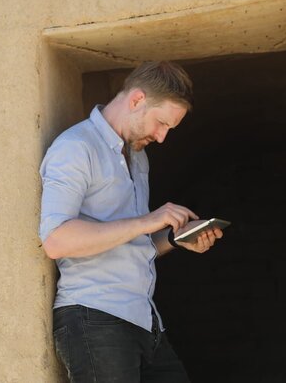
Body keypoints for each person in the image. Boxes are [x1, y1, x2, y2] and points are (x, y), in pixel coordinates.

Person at [38, 61, 223, 382]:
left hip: (145, 320)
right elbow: (56, 240)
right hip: (95, 317)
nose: (162, 137)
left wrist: (176, 239)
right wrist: (147, 221)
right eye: (161, 123)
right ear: (136, 100)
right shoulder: (76, 147)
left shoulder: (138, 158)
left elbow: (131, 243)